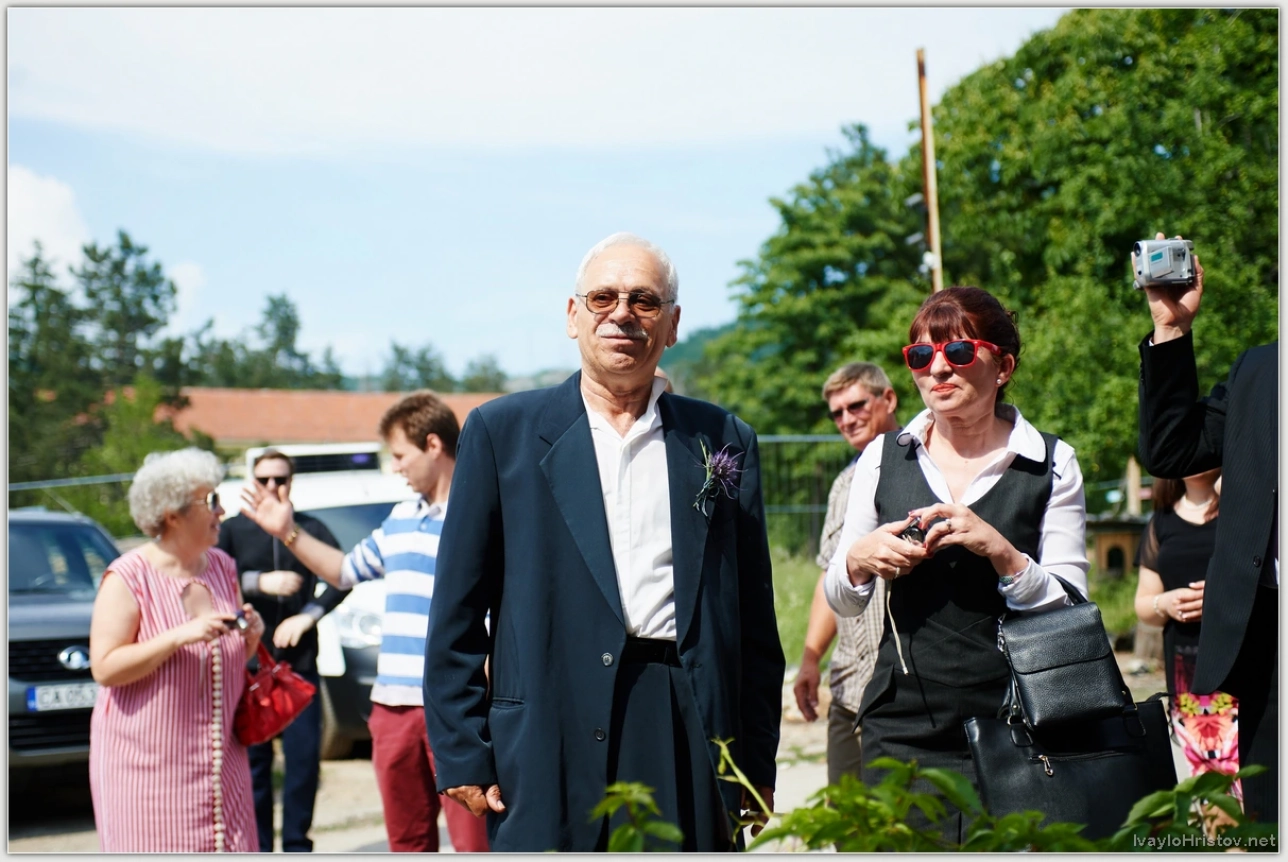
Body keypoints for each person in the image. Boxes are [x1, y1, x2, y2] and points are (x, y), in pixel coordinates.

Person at [423, 232, 784, 851]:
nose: (622, 313)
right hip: (544, 729)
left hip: (685, 719)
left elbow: (752, 621)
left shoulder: (722, 438)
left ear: (671, 325)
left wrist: (752, 763)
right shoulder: (500, 433)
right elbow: (456, 613)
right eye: (603, 297)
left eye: (645, 300)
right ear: (572, 316)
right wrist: (462, 751)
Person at [824, 286, 1089, 841]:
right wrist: (858, 560)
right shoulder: (883, 455)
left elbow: (1073, 605)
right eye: (920, 356)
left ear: (1004, 366)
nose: (938, 368)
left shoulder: (1050, 462)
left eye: (960, 352)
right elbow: (840, 597)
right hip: (904, 726)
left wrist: (1002, 552)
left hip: (1021, 720)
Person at [238, 393, 490, 853]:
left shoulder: (482, 516)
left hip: (456, 710)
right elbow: (343, 570)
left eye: (399, 455)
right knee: (407, 843)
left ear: (433, 445)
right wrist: (287, 532)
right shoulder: (400, 517)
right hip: (392, 708)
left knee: (476, 844)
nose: (394, 468)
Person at [1135, 234, 1277, 823]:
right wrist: (1171, 327)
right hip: (1262, 645)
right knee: (1265, 822)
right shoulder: (1260, 369)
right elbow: (1171, 450)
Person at [89, 448, 266, 852]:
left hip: (224, 774)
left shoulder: (223, 566)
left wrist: (251, 635)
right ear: (172, 514)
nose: (221, 511)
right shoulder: (128, 576)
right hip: (148, 777)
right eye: (211, 501)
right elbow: (104, 667)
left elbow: (235, 661)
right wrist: (178, 636)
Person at [216, 449, 349, 853]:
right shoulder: (233, 530)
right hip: (249, 665)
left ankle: (297, 847)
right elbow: (213, 576)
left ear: (292, 483)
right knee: (253, 766)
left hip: (299, 665)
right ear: (251, 482)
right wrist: (260, 582)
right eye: (264, 480)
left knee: (303, 763)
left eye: (280, 480)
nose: (272, 487)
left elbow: (344, 576)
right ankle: (257, 849)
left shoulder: (308, 528)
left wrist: (308, 615)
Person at [792, 362, 899, 788]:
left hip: (905, 691)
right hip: (851, 687)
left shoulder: (922, 467)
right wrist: (810, 658)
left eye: (856, 405)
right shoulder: (843, 484)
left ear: (888, 399)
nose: (846, 419)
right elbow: (828, 577)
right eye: (837, 413)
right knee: (849, 830)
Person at [1134, 470, 1241, 792]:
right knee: (1214, 792)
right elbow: (1142, 604)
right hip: (1190, 681)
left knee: (1257, 786)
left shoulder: (1245, 512)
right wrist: (1164, 603)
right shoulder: (1160, 523)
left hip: (1247, 668)